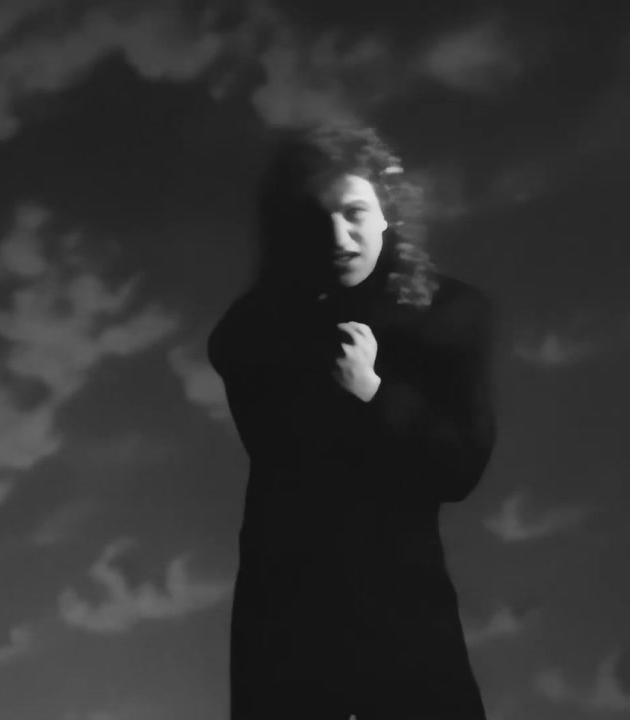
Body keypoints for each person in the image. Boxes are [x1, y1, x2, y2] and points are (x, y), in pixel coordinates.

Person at [208, 124, 498, 719]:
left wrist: (374, 390)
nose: (338, 237)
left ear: (387, 213)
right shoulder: (258, 330)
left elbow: (460, 467)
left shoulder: (452, 315)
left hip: (403, 610)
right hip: (285, 618)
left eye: (355, 213)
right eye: (316, 218)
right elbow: (273, 438)